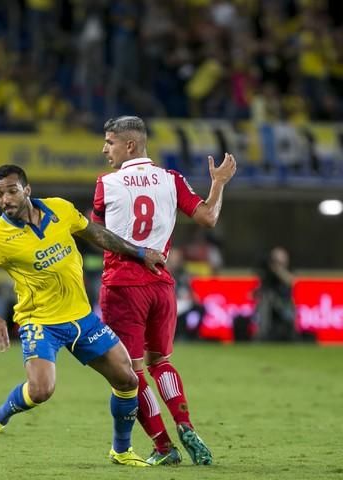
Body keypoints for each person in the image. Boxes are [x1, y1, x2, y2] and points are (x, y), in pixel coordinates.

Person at [0, 164, 166, 467]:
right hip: (39, 321)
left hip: (82, 318)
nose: (5, 199)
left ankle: (121, 450)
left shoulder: (60, 209)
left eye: (11, 191)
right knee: (41, 390)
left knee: (127, 379)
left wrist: (140, 253)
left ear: (27, 190)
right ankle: (0, 416)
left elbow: (95, 233)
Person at [91, 115, 236, 466]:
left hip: (124, 286)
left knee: (130, 371)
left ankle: (163, 445)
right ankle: (185, 425)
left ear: (130, 145)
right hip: (162, 286)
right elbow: (208, 218)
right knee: (161, 362)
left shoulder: (107, 183)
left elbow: (95, 235)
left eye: (109, 142)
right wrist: (217, 184)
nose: (104, 148)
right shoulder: (171, 179)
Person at [254, 246, 296, 341]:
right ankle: (262, 333)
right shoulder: (268, 274)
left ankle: (291, 335)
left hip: (285, 305)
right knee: (265, 299)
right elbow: (262, 290)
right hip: (270, 304)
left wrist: (278, 269)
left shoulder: (288, 270)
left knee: (267, 299)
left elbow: (290, 281)